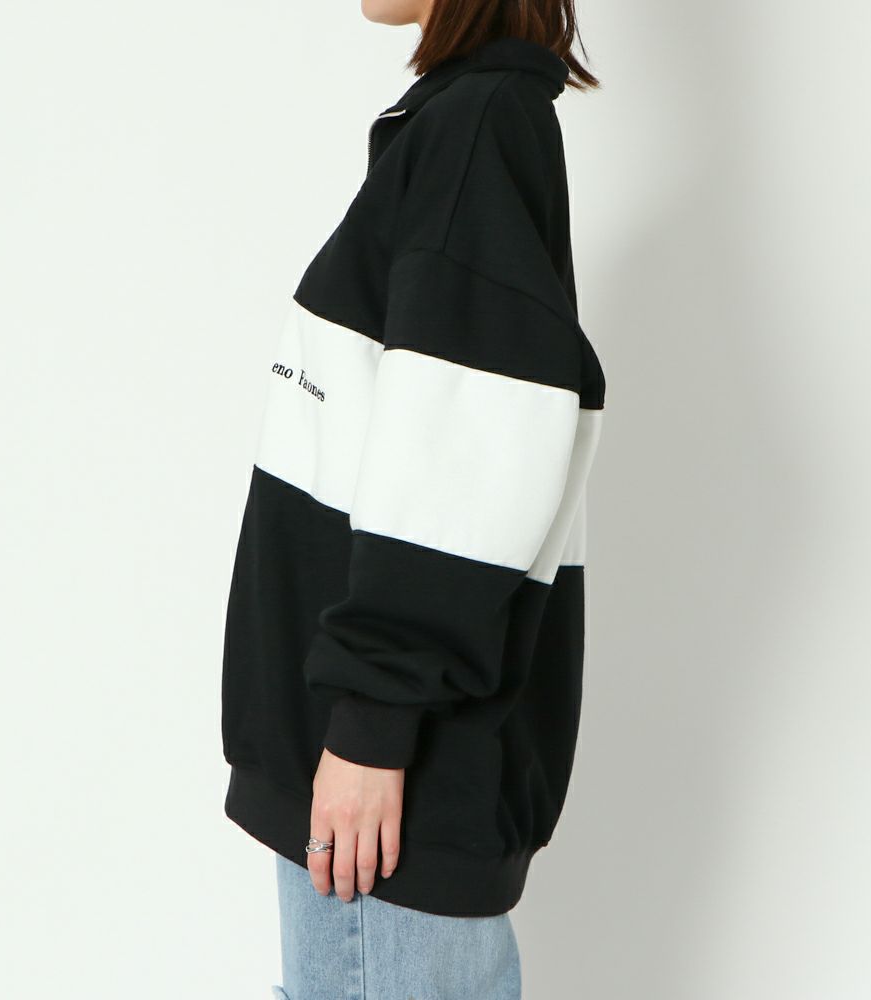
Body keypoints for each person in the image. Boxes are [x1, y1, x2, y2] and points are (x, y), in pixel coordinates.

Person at [221, 1, 607, 996]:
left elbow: (465, 461)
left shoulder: (476, 131)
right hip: (369, 761)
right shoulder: (463, 124)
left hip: (385, 781)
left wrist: (371, 723)